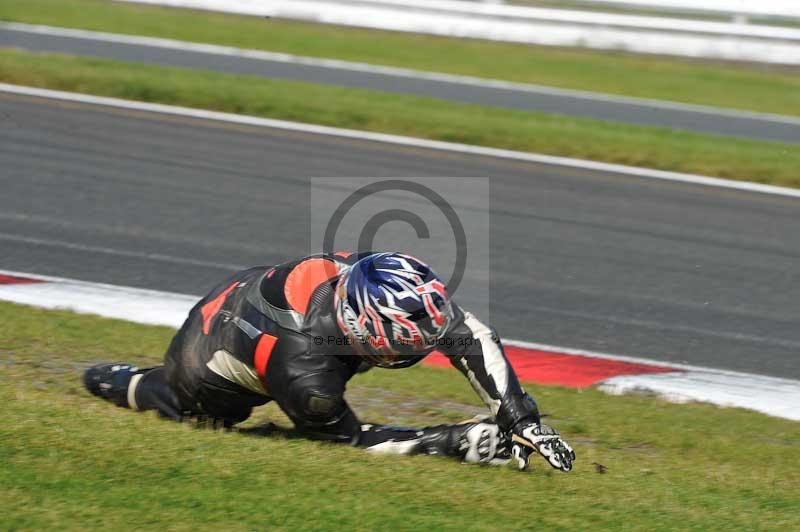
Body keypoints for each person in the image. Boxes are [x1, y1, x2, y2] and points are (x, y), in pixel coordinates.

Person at [84, 252, 575, 471]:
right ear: (364, 329)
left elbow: (466, 334)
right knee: (210, 419)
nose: (425, 346)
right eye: (408, 342)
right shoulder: (307, 374)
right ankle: (121, 383)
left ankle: (121, 380)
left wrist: (519, 416)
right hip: (211, 356)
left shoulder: (373, 272)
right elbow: (354, 443)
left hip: (258, 296)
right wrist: (453, 441)